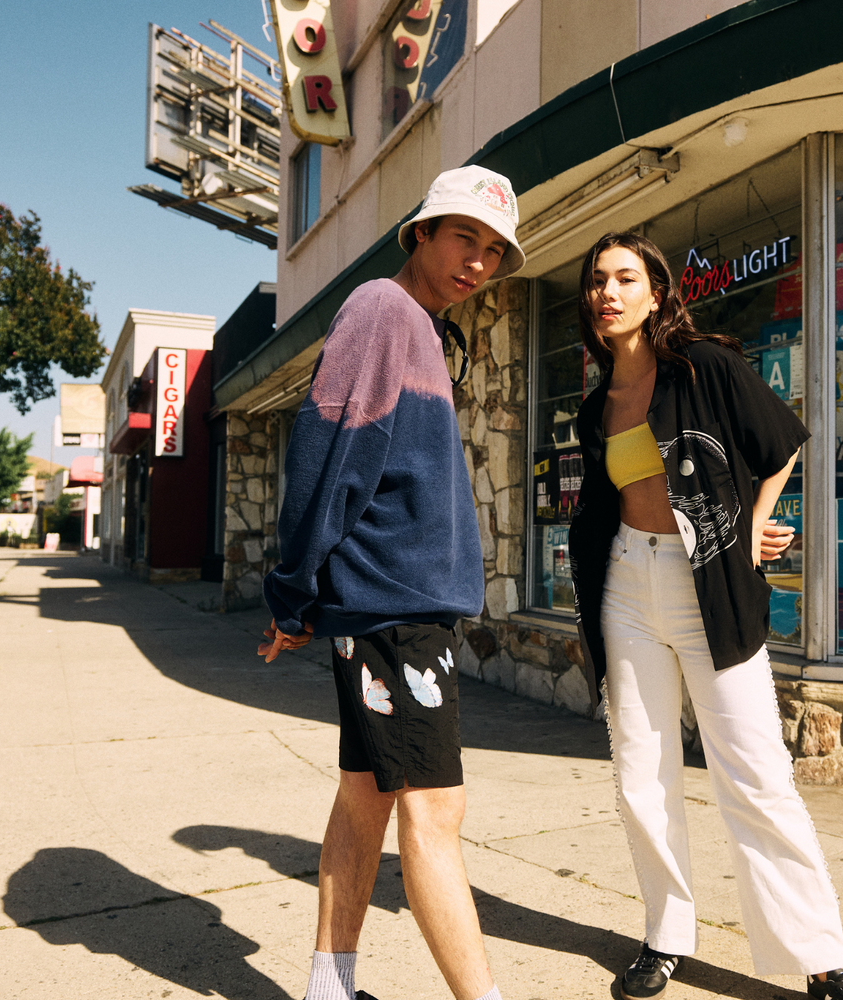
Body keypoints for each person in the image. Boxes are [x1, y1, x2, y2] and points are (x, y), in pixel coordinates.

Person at [568, 232, 843, 1000]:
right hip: (625, 587)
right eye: (597, 280)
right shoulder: (594, 404)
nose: (608, 291)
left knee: (757, 776)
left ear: (657, 293)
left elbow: (780, 446)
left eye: (625, 278)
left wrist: (752, 533)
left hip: (707, 582)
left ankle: (821, 955)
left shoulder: (705, 366)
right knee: (641, 776)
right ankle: (665, 934)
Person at [258, 165, 526, 1000]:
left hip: (390, 608)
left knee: (365, 802)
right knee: (434, 820)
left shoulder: (420, 330)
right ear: (420, 233)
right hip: (393, 611)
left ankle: (329, 989)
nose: (477, 263)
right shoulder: (383, 310)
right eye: (462, 238)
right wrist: (291, 594)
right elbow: (327, 459)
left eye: (492, 250)